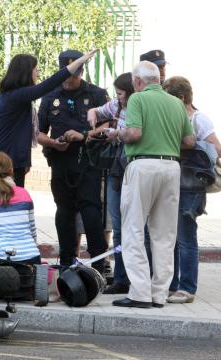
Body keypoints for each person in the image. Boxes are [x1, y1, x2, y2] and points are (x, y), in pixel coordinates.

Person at [110, 61, 195, 309]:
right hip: (171, 167)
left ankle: (140, 293)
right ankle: (159, 294)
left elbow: (134, 134)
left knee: (133, 229)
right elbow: (189, 140)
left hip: (142, 166)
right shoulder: (176, 103)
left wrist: (119, 133)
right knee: (165, 234)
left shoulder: (137, 100)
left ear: (137, 81)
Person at [36, 49, 109, 272]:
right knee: (64, 210)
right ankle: (67, 260)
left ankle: (99, 261)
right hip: (60, 161)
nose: (71, 79)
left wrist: (85, 135)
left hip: (89, 160)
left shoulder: (96, 94)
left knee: (91, 209)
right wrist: (53, 143)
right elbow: (38, 133)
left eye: (76, 74)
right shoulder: (50, 96)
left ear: (82, 71)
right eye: (68, 74)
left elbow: (109, 124)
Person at [0, 50, 97, 187]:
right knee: (9, 204)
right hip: (7, 161)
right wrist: (79, 61)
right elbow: (49, 84)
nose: (38, 74)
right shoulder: (16, 95)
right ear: (26, 73)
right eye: (36, 70)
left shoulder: (12, 95)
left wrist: (25, 162)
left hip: (12, 159)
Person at [163, 76, 221, 304]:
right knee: (173, 236)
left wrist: (190, 145)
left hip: (190, 185)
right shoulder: (176, 116)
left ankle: (187, 287)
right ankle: (173, 284)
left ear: (181, 97)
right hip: (175, 182)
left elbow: (216, 148)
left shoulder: (198, 119)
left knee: (186, 236)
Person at [85, 72, 135, 294]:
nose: (119, 98)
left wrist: (118, 133)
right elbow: (97, 110)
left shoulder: (141, 105)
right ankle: (122, 278)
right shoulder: (116, 105)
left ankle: (138, 277)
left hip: (134, 168)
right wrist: (92, 115)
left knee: (137, 225)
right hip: (117, 168)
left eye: (121, 94)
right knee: (118, 224)